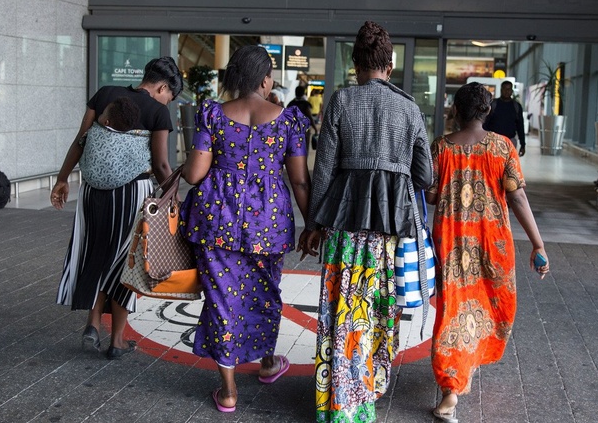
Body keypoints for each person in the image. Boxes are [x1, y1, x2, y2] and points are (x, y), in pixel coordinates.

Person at [300, 21, 433, 423]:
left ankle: (339, 401)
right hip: (388, 231)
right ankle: (367, 389)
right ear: (389, 67)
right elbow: (425, 175)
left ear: (355, 64)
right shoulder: (409, 108)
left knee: (343, 308)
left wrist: (312, 223)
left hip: (344, 223)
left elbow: (322, 171)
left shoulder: (340, 102)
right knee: (376, 309)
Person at [179, 44, 311, 413]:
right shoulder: (289, 120)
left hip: (215, 220)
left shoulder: (212, 115)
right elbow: (299, 181)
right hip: (267, 222)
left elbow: (194, 174)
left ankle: (228, 390)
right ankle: (267, 363)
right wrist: (312, 223)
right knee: (264, 292)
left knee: (221, 300)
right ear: (266, 80)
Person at [426, 82, 548, 422]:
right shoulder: (502, 147)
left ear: (457, 110)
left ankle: (454, 382)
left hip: (451, 245)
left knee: (453, 308)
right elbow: (518, 197)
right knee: (493, 305)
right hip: (493, 243)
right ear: (487, 111)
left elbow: (432, 195)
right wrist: (538, 245)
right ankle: (454, 385)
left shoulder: (441, 147)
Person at [50, 56, 182, 359]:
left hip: (91, 193)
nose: (168, 102)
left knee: (97, 254)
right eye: (170, 96)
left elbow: (81, 140)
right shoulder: (158, 112)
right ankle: (118, 339)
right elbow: (161, 164)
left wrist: (62, 179)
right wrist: (172, 199)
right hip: (131, 194)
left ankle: (93, 325)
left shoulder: (105, 93)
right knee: (126, 264)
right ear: (162, 87)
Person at [482, 80, 526, 157]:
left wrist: (523, 145)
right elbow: (485, 123)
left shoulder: (516, 106)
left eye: (509, 89)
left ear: (512, 91)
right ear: (501, 90)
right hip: (493, 141)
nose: (507, 91)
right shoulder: (493, 104)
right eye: (505, 89)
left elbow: (520, 126)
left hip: (510, 141)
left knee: (507, 165)